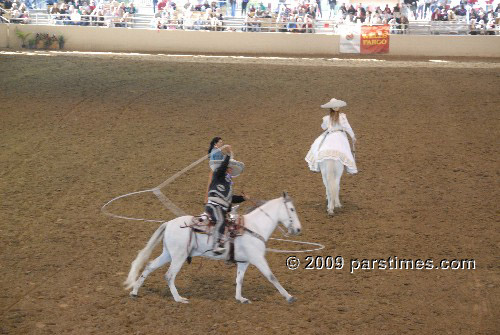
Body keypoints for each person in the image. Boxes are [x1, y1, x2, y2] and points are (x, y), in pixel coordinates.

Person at [205, 145, 246, 254]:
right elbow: (222, 167)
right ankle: (216, 245)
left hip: (222, 208)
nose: (231, 171)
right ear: (226, 168)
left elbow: (231, 198)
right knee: (221, 220)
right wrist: (227, 155)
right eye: (230, 168)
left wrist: (243, 198)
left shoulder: (228, 184)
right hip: (214, 205)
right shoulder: (218, 174)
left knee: (231, 224)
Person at [305, 98, 357, 174]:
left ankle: (317, 165)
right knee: (345, 149)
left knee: (318, 145)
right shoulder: (342, 117)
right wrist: (352, 136)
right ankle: (349, 168)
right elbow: (347, 127)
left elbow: (323, 127)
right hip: (340, 134)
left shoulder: (327, 118)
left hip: (331, 134)